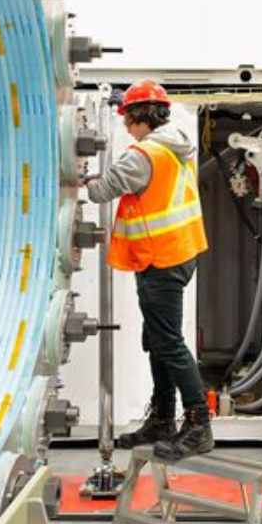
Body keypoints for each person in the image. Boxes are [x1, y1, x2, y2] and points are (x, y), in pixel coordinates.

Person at [90, 80, 215, 461]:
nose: (126, 127)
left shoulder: (145, 154)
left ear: (141, 115)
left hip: (161, 259)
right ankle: (162, 417)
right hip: (175, 254)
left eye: (127, 119)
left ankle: (198, 425)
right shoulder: (174, 147)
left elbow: (102, 190)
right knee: (158, 339)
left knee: (169, 342)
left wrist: (74, 178)